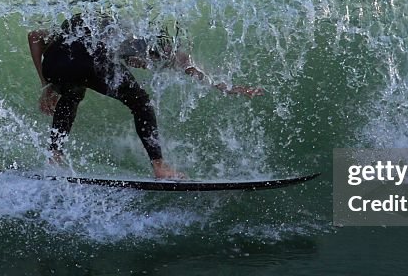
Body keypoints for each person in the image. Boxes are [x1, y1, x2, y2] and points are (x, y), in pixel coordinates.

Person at [28, 12, 262, 179]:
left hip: (54, 65)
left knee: (72, 92)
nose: (145, 66)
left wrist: (46, 85)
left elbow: (34, 37)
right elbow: (184, 63)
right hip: (92, 62)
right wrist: (225, 87)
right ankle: (160, 166)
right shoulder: (142, 36)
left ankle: (54, 156)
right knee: (141, 102)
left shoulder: (92, 22)